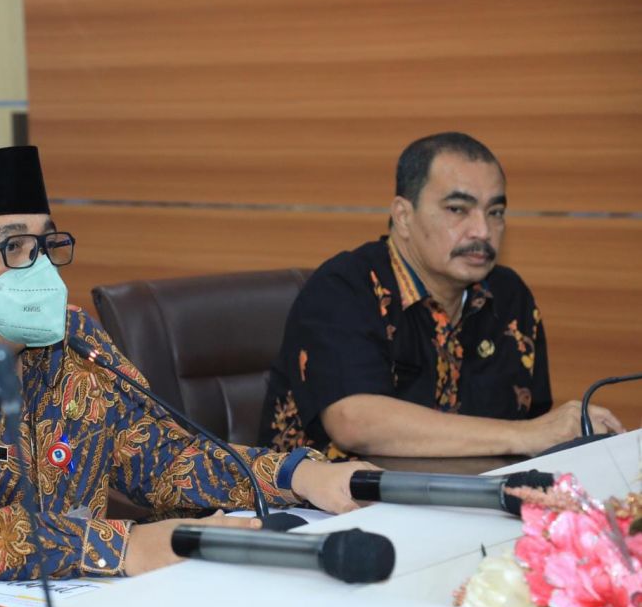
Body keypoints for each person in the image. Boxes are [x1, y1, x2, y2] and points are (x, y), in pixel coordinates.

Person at [0, 146, 375, 607]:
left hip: (52, 605)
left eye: (45, 244)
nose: (39, 267)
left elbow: (159, 455)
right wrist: (125, 546)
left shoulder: (75, 340)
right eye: (12, 248)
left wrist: (299, 475)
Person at [259, 132, 624, 460]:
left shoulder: (509, 298)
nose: (482, 230)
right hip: (323, 514)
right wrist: (525, 435)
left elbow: (532, 425)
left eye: (495, 212)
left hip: (466, 507)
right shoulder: (345, 287)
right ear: (403, 216)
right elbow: (354, 421)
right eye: (457, 210)